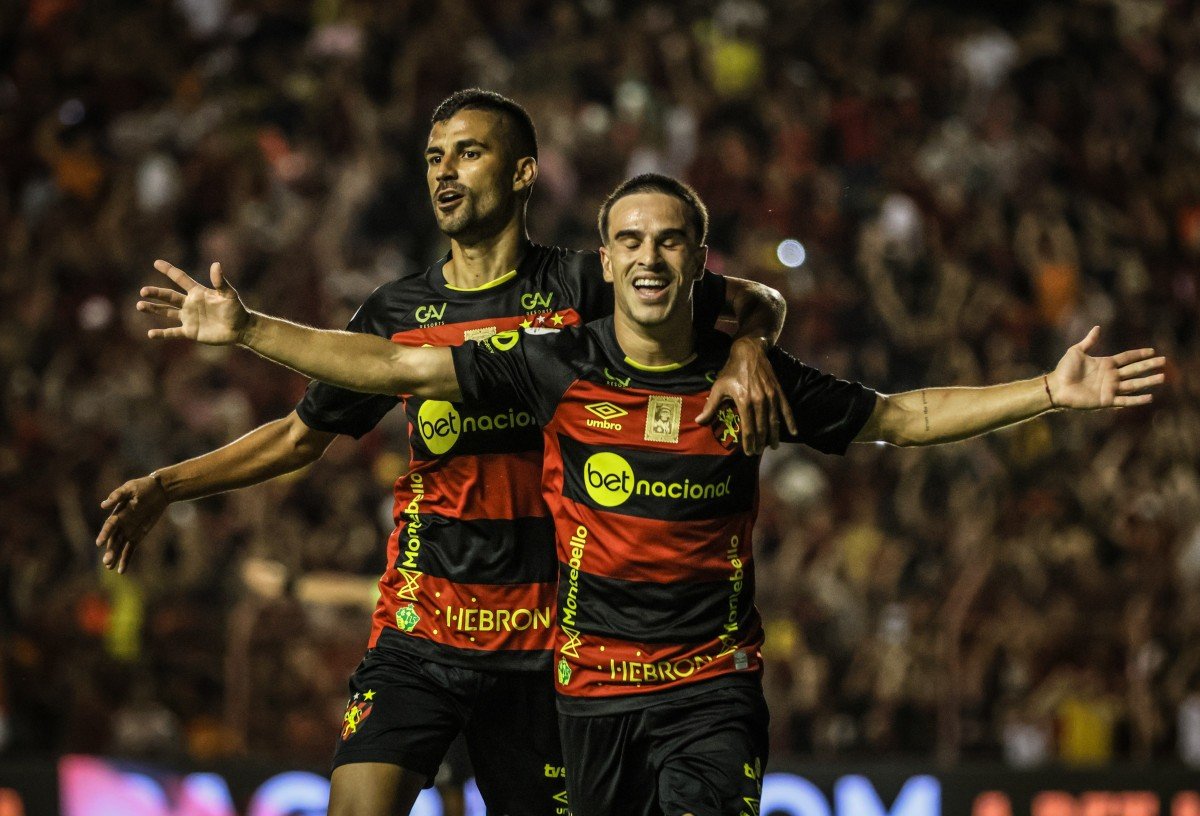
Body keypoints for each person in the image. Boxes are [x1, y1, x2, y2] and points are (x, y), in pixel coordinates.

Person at [134, 173, 1164, 816]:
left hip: (707, 687)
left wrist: (1047, 392)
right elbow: (401, 371)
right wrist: (253, 328)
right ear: (606, 259)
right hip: (584, 690)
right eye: (629, 241)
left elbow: (901, 415)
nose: (648, 257)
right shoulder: (555, 362)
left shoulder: (748, 378)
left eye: (669, 240)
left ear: (697, 259)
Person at [97, 91, 793, 816]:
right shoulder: (395, 313)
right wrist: (167, 484)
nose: (445, 172)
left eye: (469, 152)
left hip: (547, 647)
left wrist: (747, 349)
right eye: (434, 157)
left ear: (524, 173)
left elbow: (759, 301)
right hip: (421, 630)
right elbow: (301, 435)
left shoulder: (591, 285)